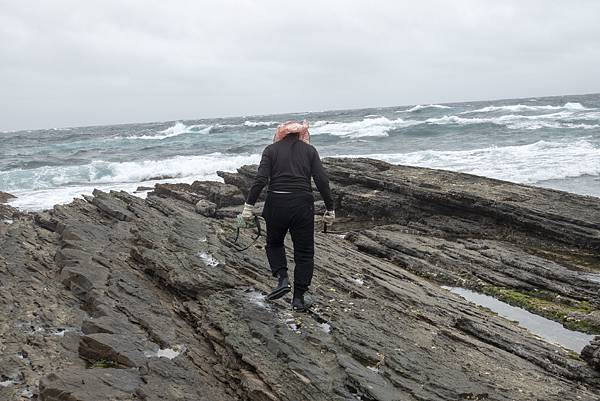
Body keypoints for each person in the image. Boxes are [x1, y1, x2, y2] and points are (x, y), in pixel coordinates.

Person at [240, 120, 335, 311]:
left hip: (276, 204)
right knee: (305, 253)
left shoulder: (271, 150)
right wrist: (330, 208)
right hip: (302, 206)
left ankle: (282, 279)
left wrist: (248, 206)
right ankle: (298, 298)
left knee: (274, 244)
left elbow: (260, 179)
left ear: (281, 134)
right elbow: (322, 181)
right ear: (301, 134)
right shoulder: (310, 151)